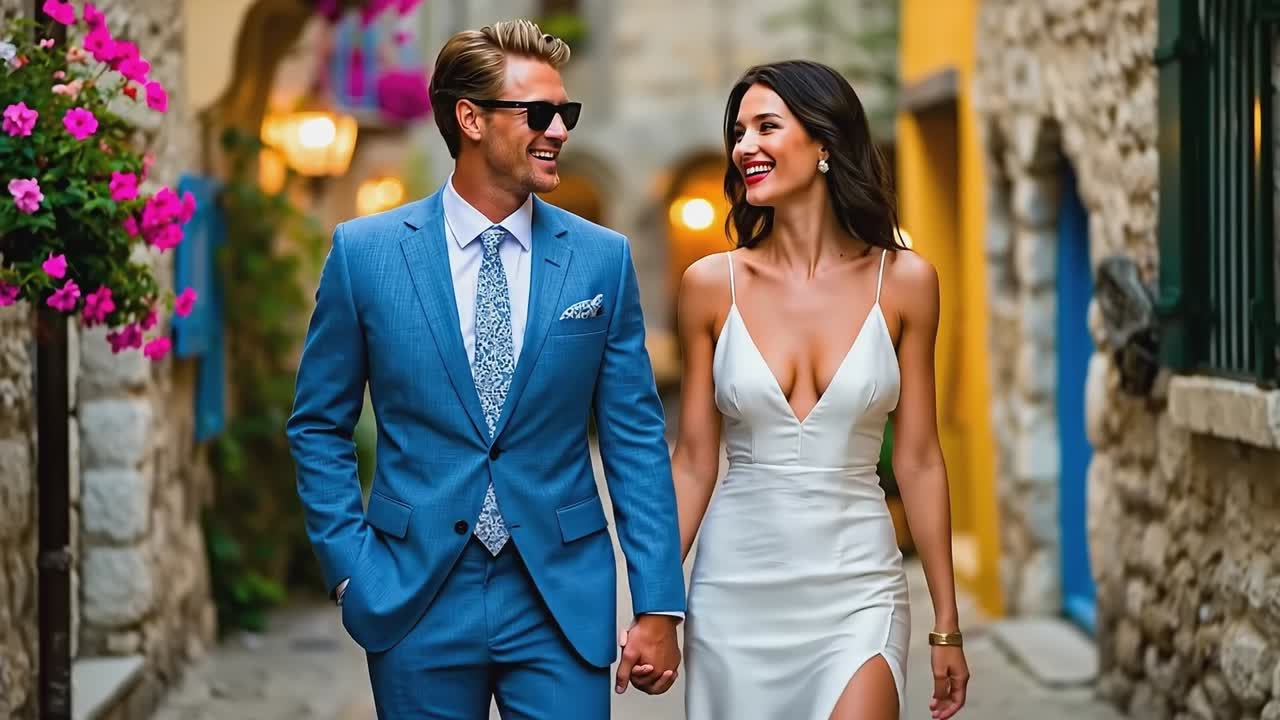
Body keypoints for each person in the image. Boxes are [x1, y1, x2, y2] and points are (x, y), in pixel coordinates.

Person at [286, 20, 685, 719]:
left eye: (568, 114)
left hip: (559, 596)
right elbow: (319, 425)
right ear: (469, 118)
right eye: (538, 113)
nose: (559, 129)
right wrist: (352, 572)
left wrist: (657, 602)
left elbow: (635, 443)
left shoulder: (603, 260)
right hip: (414, 594)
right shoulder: (366, 253)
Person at [669, 60, 970, 720]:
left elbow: (919, 459)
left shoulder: (907, 282)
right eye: (739, 131)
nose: (745, 145)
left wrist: (945, 621)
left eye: (767, 126)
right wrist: (654, 602)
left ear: (825, 142)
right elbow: (692, 463)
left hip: (857, 586)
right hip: (734, 589)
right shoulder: (708, 286)